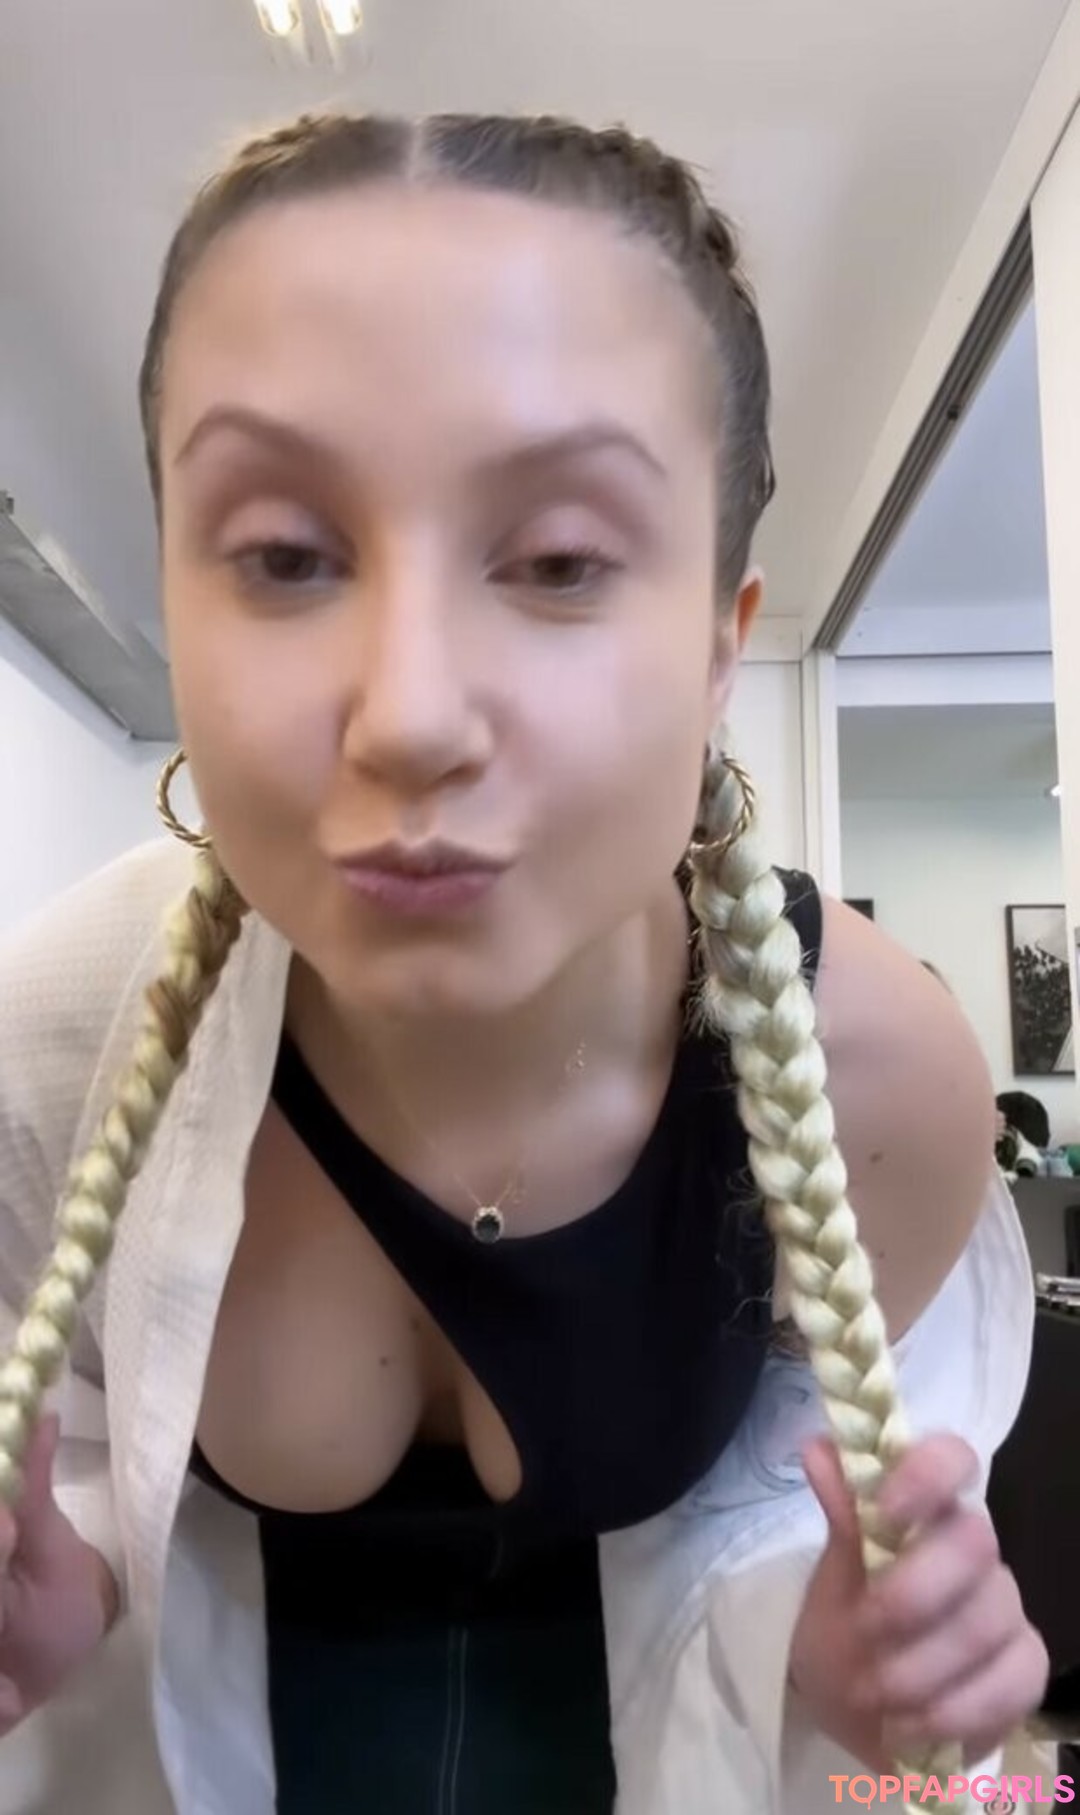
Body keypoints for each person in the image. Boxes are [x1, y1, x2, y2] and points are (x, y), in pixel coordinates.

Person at [0, 112, 1045, 1814]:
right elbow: (94, 1457)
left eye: (558, 561)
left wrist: (845, 1657)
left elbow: (818, 1536)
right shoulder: (64, 1040)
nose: (410, 712)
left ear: (721, 642)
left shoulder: (873, 1086)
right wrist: (77, 1593)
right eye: (284, 555)